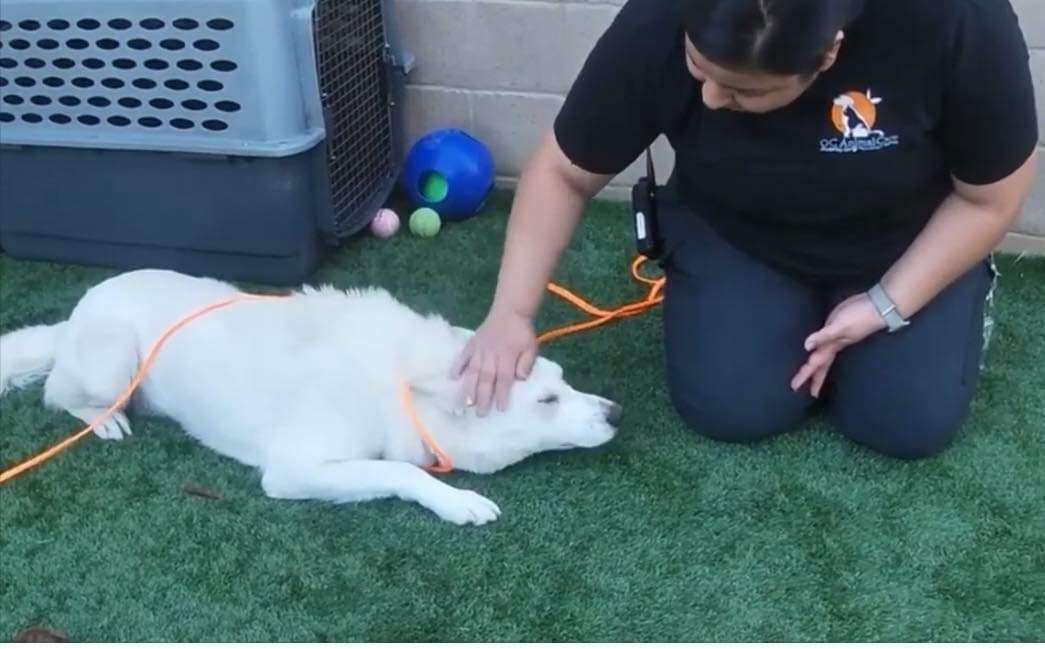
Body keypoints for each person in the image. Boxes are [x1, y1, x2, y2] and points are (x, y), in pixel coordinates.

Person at [453, 0, 1039, 459]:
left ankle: (947, 299)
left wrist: (887, 303)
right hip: (737, 231)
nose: (708, 98)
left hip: (904, 241)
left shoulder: (958, 19)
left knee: (904, 424)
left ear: (829, 55)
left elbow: (989, 200)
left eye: (741, 90)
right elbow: (563, 170)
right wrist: (510, 313)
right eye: (698, 70)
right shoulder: (660, 18)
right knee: (733, 410)